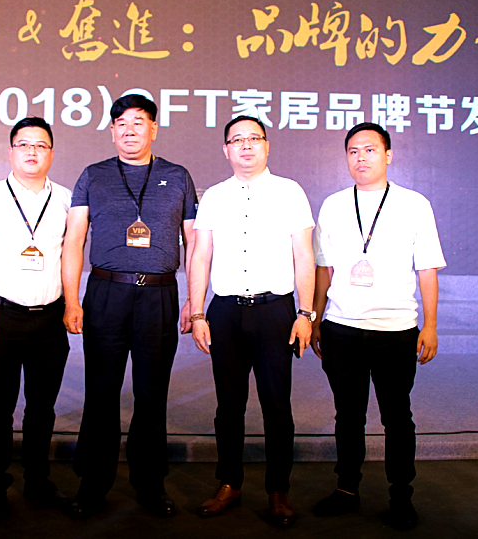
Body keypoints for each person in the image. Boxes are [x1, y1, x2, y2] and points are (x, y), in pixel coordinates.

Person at [61, 94, 197, 518]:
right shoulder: (93, 175)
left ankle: (150, 483)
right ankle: (92, 483)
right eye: (121, 123)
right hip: (106, 293)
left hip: (159, 295)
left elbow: (194, 242)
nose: (129, 130)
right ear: (112, 131)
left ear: (153, 128)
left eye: (138, 122)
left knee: (152, 393)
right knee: (101, 392)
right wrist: (71, 300)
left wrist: (193, 299)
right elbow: (73, 241)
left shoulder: (177, 176)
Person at [310, 122, 446, 530]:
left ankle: (401, 496)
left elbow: (427, 269)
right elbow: (323, 269)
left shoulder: (414, 204)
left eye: (370, 149)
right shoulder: (333, 205)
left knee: (397, 417)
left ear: (388, 155)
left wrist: (430, 326)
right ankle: (346, 489)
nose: (361, 157)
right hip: (341, 328)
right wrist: (315, 318)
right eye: (353, 151)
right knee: (347, 416)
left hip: (396, 329)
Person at [189, 115, 315, 527]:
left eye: (254, 138)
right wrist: (197, 312)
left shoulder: (289, 192)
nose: (246, 145)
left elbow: (304, 256)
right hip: (225, 312)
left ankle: (279, 490)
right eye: (237, 139)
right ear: (226, 149)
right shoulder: (214, 197)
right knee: (228, 407)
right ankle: (229, 483)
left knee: (277, 406)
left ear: (267, 145)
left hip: (275, 311)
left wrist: (305, 313)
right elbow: (200, 256)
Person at [0, 117, 71, 521]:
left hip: (50, 321)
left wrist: (72, 304)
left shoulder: (66, 199)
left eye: (40, 145)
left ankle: (37, 480)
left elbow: (72, 256)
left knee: (42, 409)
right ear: (10, 152)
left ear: (51, 154)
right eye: (24, 144)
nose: (31, 151)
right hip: (1, 318)